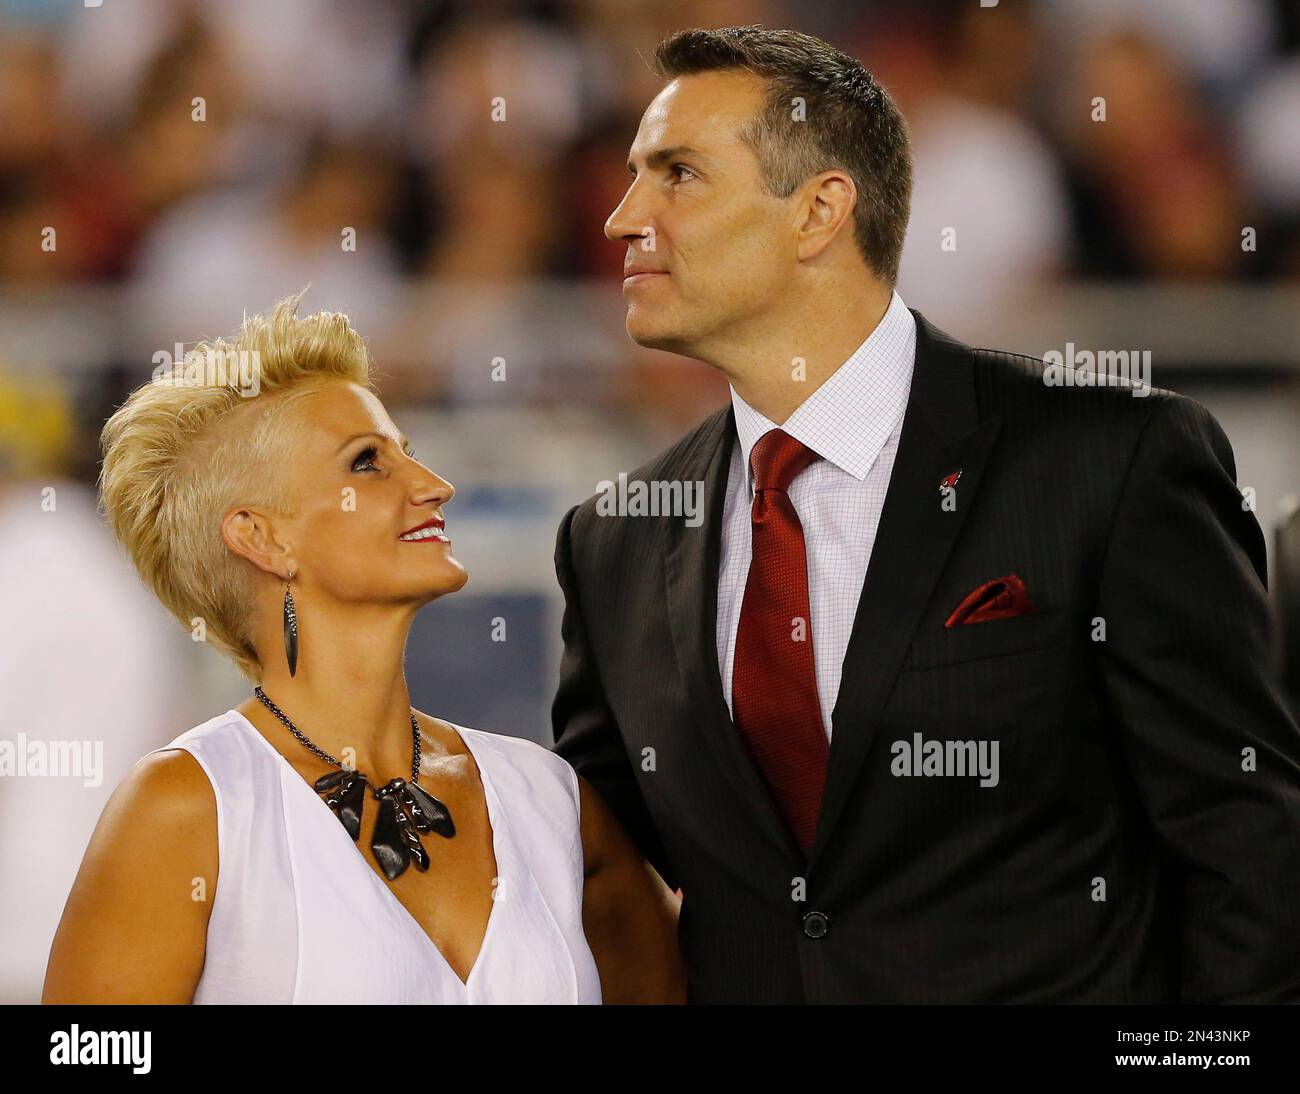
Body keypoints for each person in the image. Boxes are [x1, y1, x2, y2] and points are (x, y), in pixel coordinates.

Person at [551, 26, 1300, 1003]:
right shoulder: (613, 540)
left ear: (818, 211)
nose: (620, 217)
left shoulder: (1109, 461)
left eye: (676, 173)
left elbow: (1245, 837)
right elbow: (595, 867)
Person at [43, 293, 684, 1004]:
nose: (435, 486)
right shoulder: (187, 807)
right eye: (369, 463)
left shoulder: (549, 800)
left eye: (408, 453)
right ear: (262, 536)